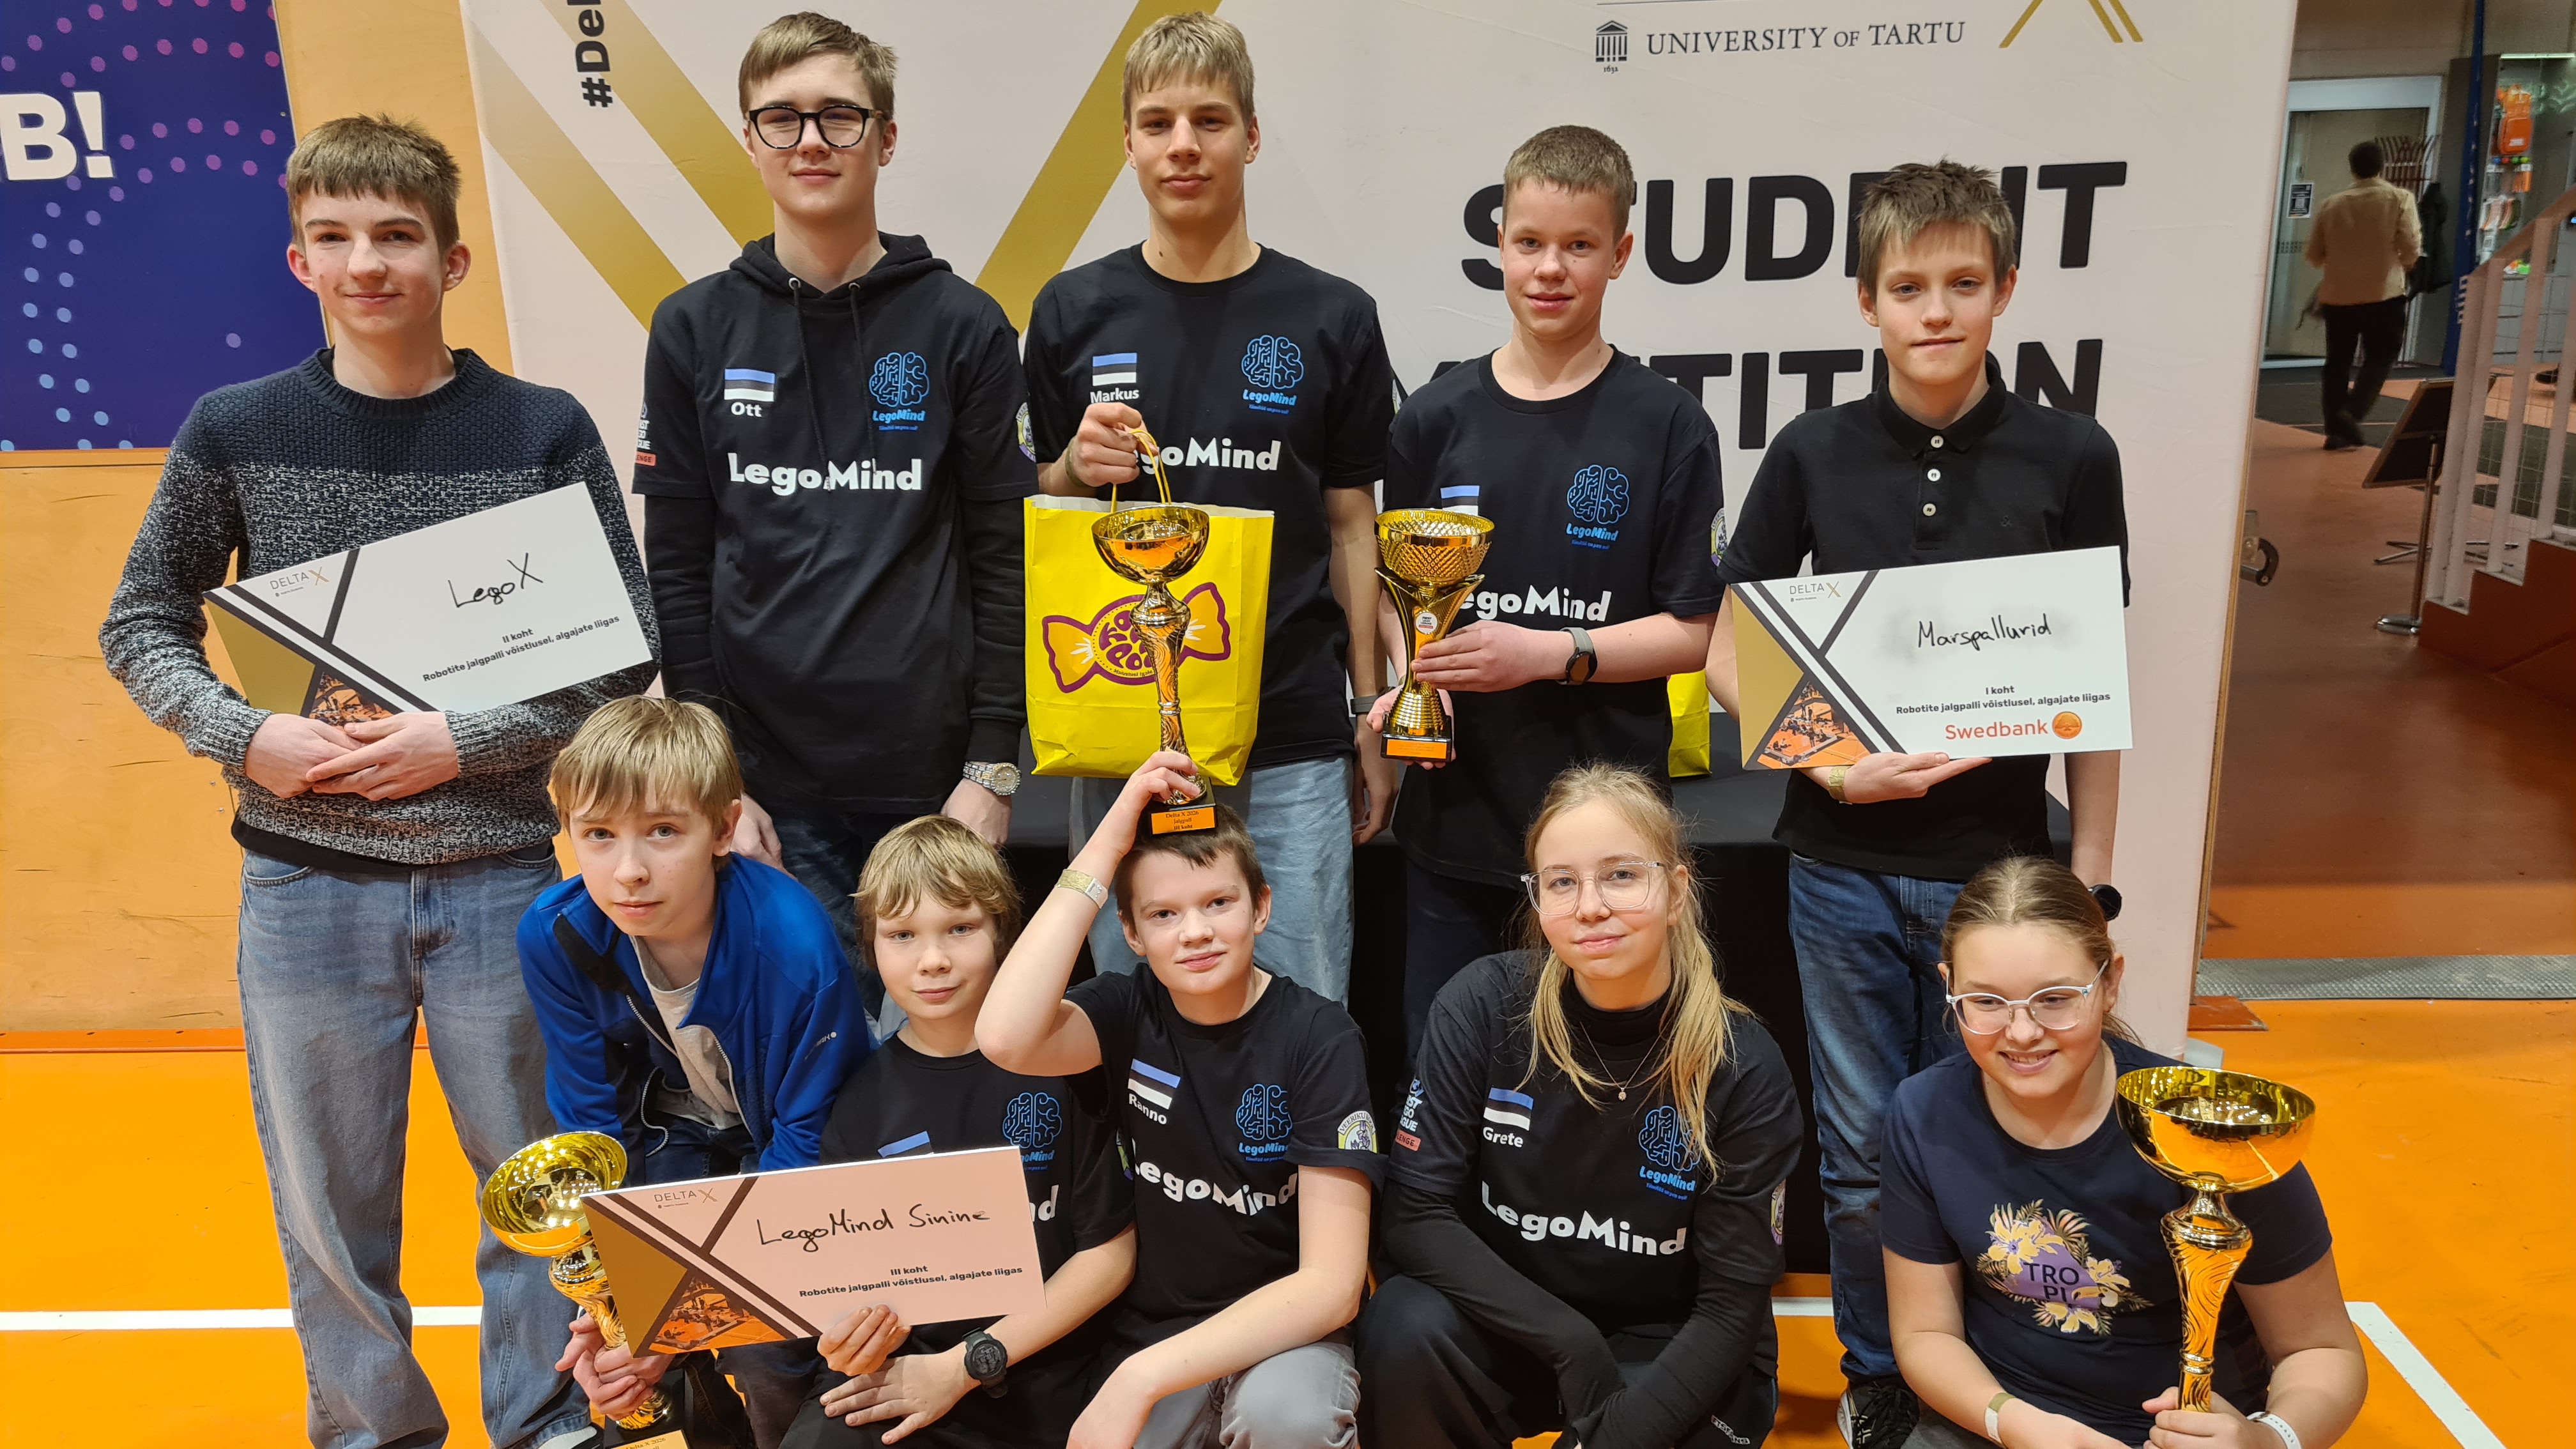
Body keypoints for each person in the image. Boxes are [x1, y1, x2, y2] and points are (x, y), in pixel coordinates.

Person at [95, 114, 654, 1449]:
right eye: (335, 238)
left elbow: (621, 650)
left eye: (398, 236)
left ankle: (548, 1421)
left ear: (452, 260)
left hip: (503, 876)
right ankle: (371, 1432)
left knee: (537, 1183)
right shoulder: (236, 428)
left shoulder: (539, 427)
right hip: (304, 886)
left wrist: (466, 742)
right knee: (329, 1207)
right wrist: (244, 734)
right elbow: (141, 621)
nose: (368, 264)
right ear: (299, 261)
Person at [1706, 159, 2130, 1448]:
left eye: (1960, 283)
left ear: (2006, 288)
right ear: (1866, 301)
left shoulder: (2073, 454)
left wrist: (2092, 876)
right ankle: (1882, 1376)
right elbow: (1727, 647)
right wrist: (1826, 760)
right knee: (1855, 1151)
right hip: (1835, 864)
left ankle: (1994, 1372)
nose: (1934, 310)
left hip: (1996, 882)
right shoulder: (1811, 449)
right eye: (1906, 287)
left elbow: (2094, 686)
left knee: (1989, 1140)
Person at [636, 11, 1036, 1027]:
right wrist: (716, 782)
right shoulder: (691, 328)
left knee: (944, 1065)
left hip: (937, 786)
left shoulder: (965, 326)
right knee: (806, 1064)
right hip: (769, 794)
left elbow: (1007, 556)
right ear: (750, 139)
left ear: (885, 137)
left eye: (839, 117)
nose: (811, 141)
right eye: (782, 118)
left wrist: (993, 767)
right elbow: (676, 564)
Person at [1024, 10, 1399, 1003]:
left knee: (1304, 1011)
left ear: (1253, 135)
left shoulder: (1333, 315)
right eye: (1158, 124)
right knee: (1131, 1010)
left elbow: (1353, 525)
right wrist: (1070, 468)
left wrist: (1365, 714)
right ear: (1128, 143)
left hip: (1291, 734)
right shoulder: (1070, 311)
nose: (1183, 145)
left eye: (1210, 120)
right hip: (1122, 736)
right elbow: (1043, 512)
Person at [1371, 125, 1726, 1051]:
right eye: (1529, 242)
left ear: (1621, 253)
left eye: (1579, 245)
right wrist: (1414, 679)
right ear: (1499, 243)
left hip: (1608, 853)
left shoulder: (1668, 424)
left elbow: (1694, 630)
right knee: (1447, 1074)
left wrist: (1548, 654)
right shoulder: (1434, 418)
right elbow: (1395, 594)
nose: (1550, 269)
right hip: (1455, 822)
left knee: (1607, 1086)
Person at [1360, 763, 1803, 1449]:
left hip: (1673, 1341)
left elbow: (1729, 1309)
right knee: (1404, 1327)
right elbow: (1416, 1216)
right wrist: (1569, 1342)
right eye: (1562, 882)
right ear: (1537, 900)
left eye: (1621, 875)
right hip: (1517, 1320)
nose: (1590, 906)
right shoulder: (1483, 1005)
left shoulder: (1744, 1064)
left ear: (1677, 891)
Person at [1883, 856, 2366, 1448]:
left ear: (2110, 983)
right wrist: (2011, 1422)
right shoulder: (1923, 1111)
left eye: (2056, 998)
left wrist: (2267, 1441)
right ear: (1950, 986)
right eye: (1986, 1001)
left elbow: (2319, 1349)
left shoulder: (2209, 1126)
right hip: (2002, 1418)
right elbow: (1926, 1334)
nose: (2022, 1031)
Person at [977, 752, 1379, 1449]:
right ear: (1131, 934)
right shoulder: (1126, 1009)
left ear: (1262, 907)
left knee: (1289, 1419)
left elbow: (1332, 1286)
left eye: (1218, 903)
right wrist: (1109, 840)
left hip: (1285, 1339)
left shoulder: (1320, 1037)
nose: (1194, 931)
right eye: (1163, 914)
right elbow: (1005, 1037)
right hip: (1155, 1334)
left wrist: (1138, 1380)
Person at [518, 696, 873, 1448]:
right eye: (599, 835)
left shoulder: (795, 939)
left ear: (723, 828)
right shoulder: (555, 933)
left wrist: (682, 1315)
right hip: (677, 1136)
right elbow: (595, 1131)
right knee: (622, 1358)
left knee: (768, 1350)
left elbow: (804, 1151)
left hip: (790, 1154)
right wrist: (623, 1305)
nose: (629, 871)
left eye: (663, 832)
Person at [783, 814, 1136, 1448]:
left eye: (960, 929)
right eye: (902, 935)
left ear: (1002, 932)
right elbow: (858, 1285)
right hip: (915, 1370)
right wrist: (855, 1335)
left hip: (1050, 1369)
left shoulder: (1063, 1060)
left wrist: (966, 1366)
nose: (933, 960)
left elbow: (1110, 1256)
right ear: (870, 947)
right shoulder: (860, 1104)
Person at [2304, 141, 2423, 451]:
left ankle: (2336, 432)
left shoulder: (2332, 205)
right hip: (2384, 294)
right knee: (2381, 356)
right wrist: (2405, 264)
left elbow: (2314, 254)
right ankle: (2352, 412)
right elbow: (2411, 246)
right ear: (2382, 167)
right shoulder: (2399, 199)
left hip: (2338, 296)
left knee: (2337, 363)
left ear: (2352, 169)